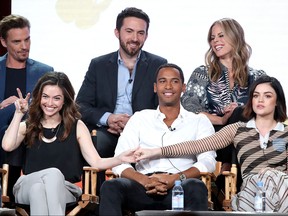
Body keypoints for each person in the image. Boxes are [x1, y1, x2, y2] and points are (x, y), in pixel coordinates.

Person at [135, 75, 288, 213]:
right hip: (250, 192)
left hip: (282, 189)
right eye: (256, 96)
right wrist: (155, 151)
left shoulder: (286, 132)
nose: (260, 100)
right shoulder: (238, 129)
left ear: (277, 101)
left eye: (267, 96)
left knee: (273, 177)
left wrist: (272, 174)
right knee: (266, 179)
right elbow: (196, 146)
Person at [1, 72, 136, 215]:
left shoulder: (77, 126)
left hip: (66, 189)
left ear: (65, 100)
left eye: (56, 98)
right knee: (51, 175)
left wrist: (120, 159)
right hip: (25, 186)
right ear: (39, 97)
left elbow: (96, 161)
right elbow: (7, 145)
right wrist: (18, 114)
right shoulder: (29, 125)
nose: (50, 103)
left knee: (38, 190)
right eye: (45, 97)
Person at [99, 63, 217, 215]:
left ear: (184, 88)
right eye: (162, 81)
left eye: (174, 81)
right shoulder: (140, 118)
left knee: (196, 186)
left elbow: (208, 161)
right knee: (111, 187)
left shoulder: (199, 121)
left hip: (180, 185)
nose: (168, 86)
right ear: (155, 87)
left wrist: (175, 179)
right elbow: (120, 161)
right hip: (143, 186)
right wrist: (145, 181)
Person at [76, 7, 167, 192]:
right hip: (107, 131)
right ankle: (95, 202)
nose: (135, 38)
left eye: (140, 33)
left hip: (143, 134)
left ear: (146, 36)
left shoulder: (159, 65)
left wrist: (136, 122)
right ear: (117, 32)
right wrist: (108, 118)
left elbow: (165, 106)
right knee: (95, 144)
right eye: (129, 31)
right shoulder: (98, 65)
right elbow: (80, 106)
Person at [181, 18, 266, 169]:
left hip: (251, 140)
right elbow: (188, 109)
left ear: (235, 37)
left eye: (221, 36)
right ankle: (230, 171)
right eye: (212, 38)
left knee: (241, 114)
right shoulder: (202, 73)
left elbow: (268, 110)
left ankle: (228, 172)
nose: (215, 41)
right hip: (213, 139)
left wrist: (238, 113)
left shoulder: (257, 77)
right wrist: (221, 120)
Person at [0, 14, 54, 200]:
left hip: (28, 134)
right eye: (17, 41)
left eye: (27, 39)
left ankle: (12, 200)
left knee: (16, 142)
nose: (24, 46)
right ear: (4, 42)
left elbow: (52, 106)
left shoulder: (44, 71)